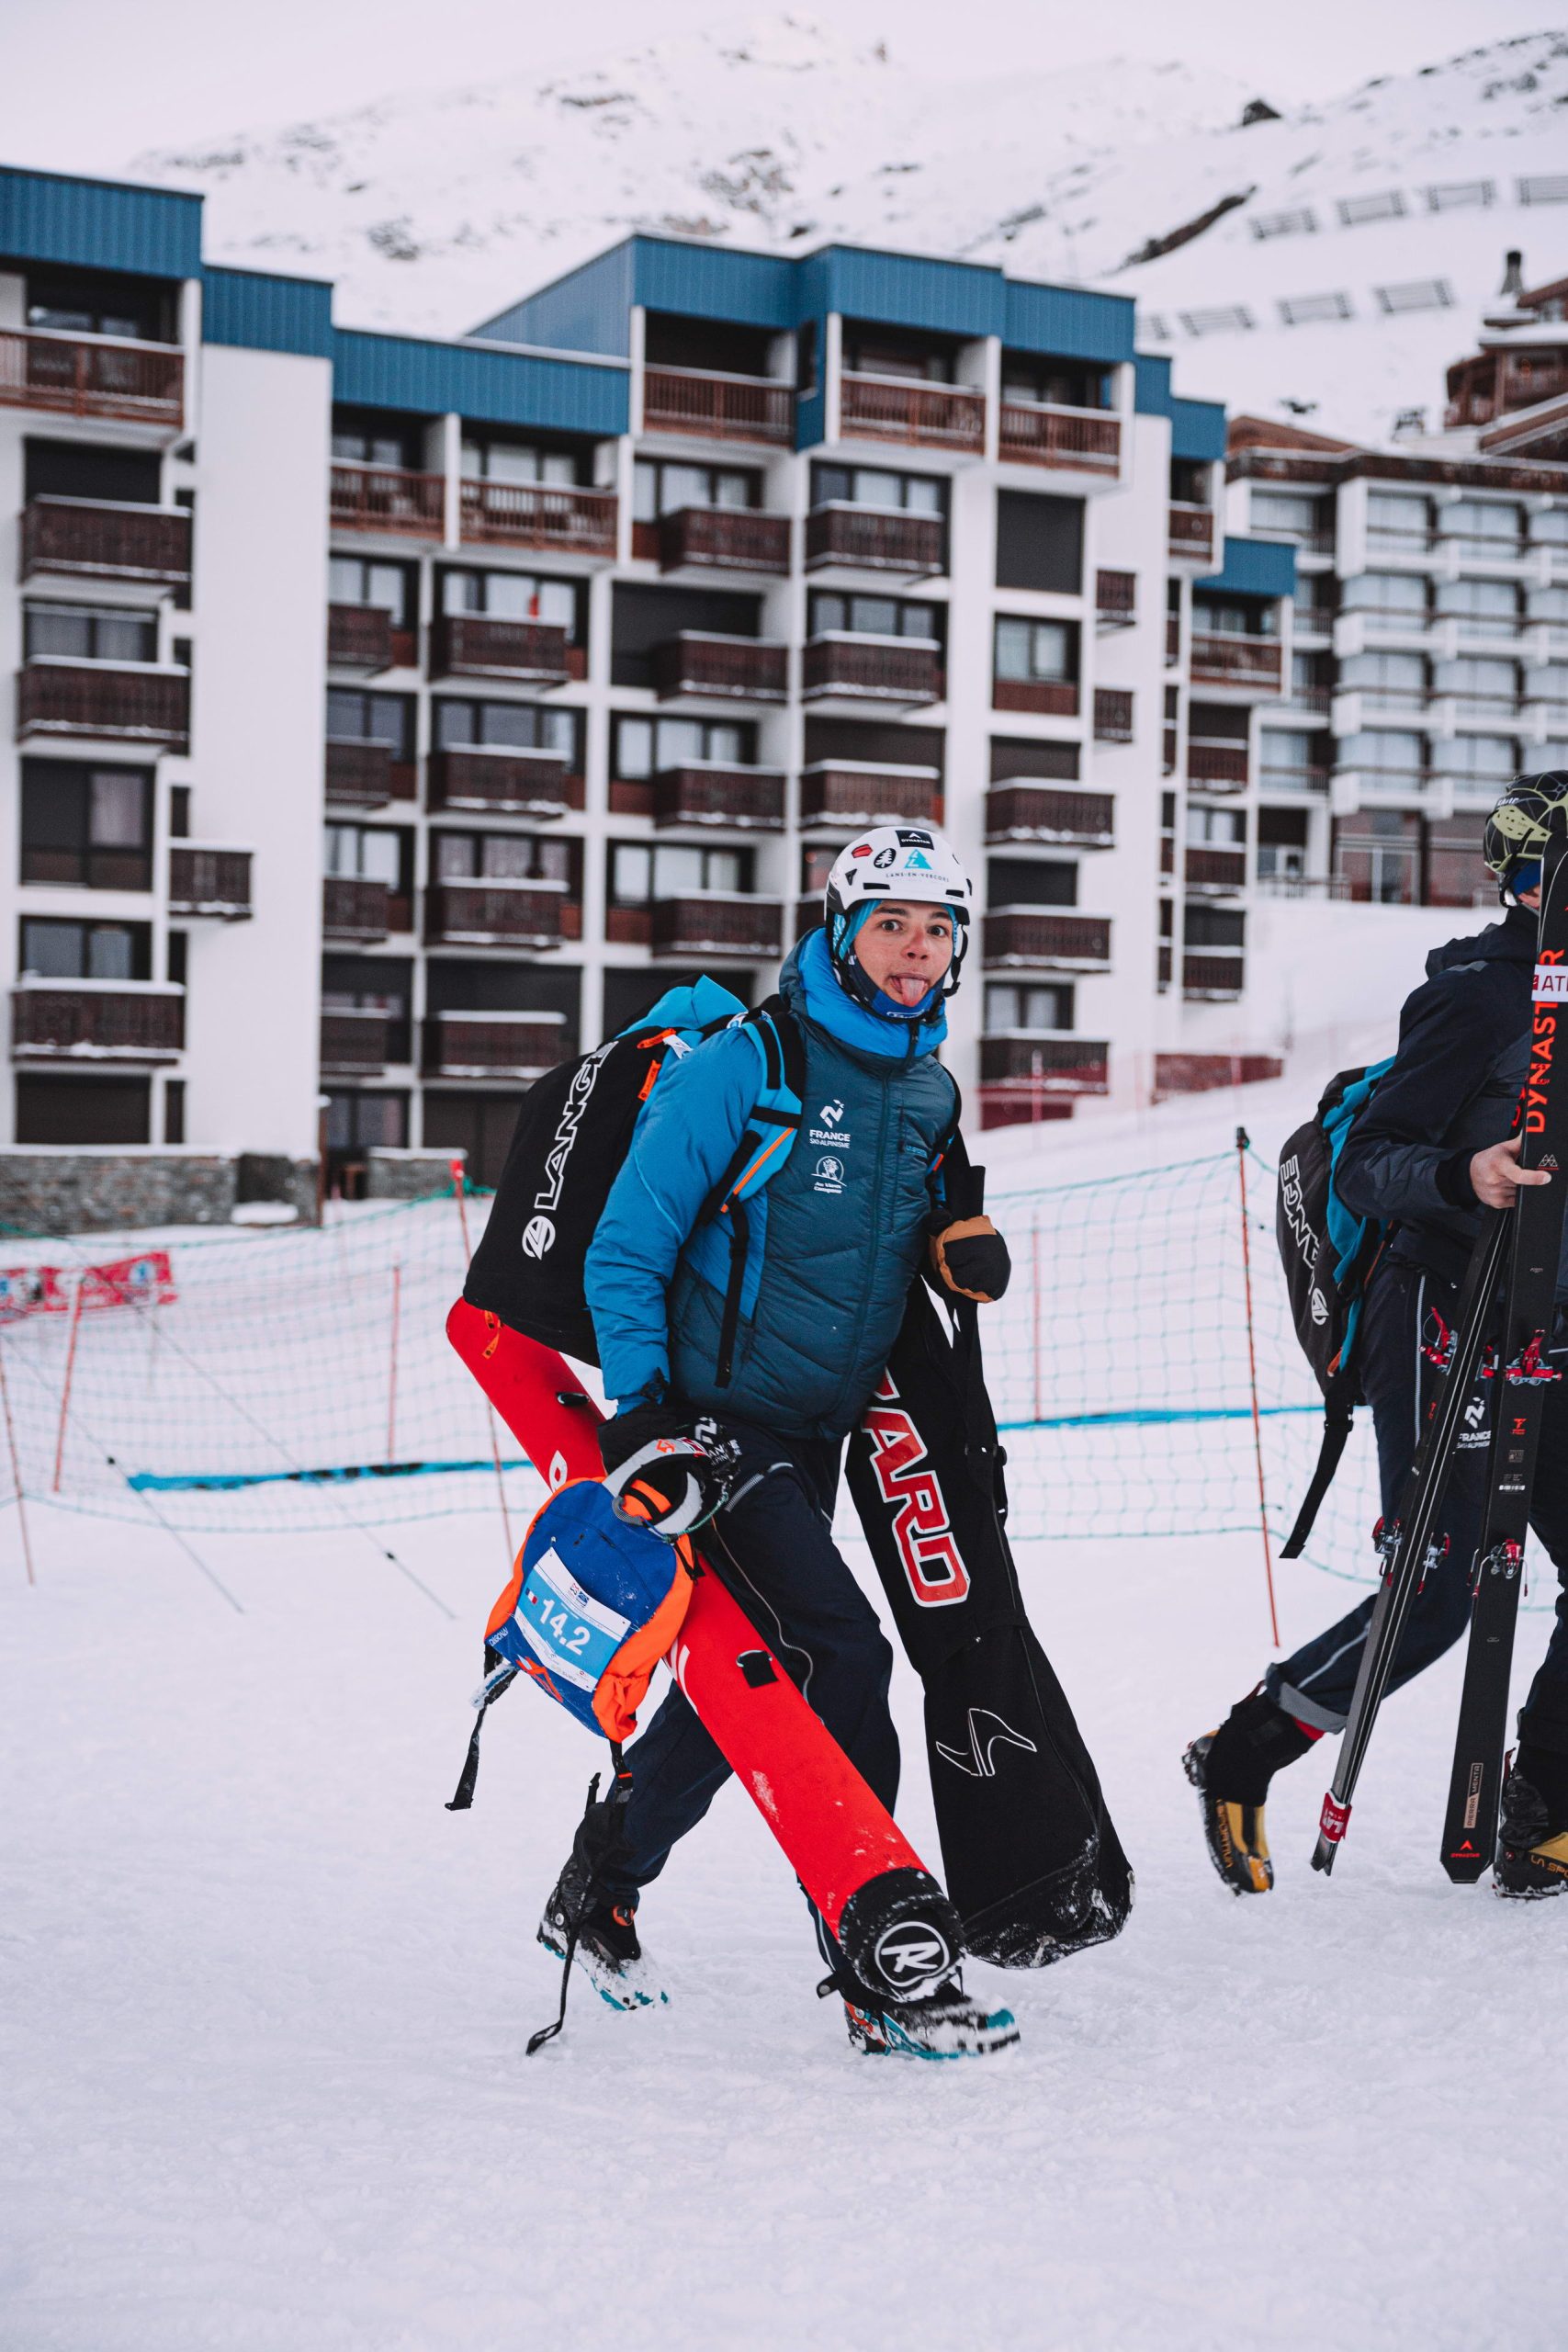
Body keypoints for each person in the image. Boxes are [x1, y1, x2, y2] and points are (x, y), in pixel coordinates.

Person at [538, 826, 1021, 2056]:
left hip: (820, 1431)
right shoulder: (745, 1065)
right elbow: (627, 1244)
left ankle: (597, 1880)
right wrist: (646, 1421)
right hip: (707, 1427)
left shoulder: (926, 1089)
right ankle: (878, 1951)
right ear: (838, 928)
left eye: (935, 932)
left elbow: (893, 1219)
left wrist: (949, 1238)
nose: (913, 955)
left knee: (754, 1679)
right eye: (889, 927)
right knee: (840, 1656)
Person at [1186, 770, 1568, 1900]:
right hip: (1443, 1304)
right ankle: (1243, 1752)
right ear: (1530, 879)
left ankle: (1540, 1797)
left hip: (1550, 1318)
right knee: (1440, 1583)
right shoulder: (1481, 998)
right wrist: (1468, 1173)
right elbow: (1369, 1161)